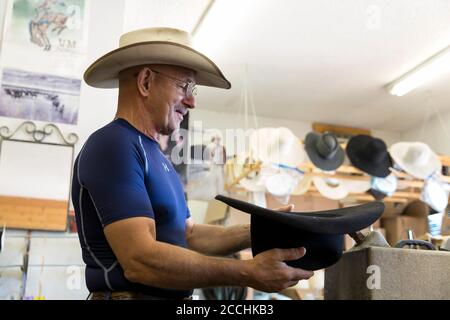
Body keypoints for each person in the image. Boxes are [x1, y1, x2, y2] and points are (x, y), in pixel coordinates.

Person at [72, 27, 313, 300]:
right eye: (184, 86)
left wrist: (267, 229)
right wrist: (247, 271)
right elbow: (140, 260)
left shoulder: (157, 158)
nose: (192, 101)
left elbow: (190, 234)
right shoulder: (114, 144)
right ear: (146, 82)